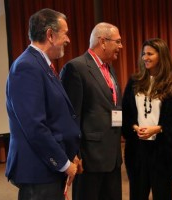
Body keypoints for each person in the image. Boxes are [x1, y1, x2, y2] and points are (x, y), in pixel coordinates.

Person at [5, 8, 81, 200]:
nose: (68, 39)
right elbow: (35, 127)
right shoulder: (27, 67)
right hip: (39, 172)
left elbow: (55, 116)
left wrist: (70, 154)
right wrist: (64, 163)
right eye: (65, 33)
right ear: (50, 34)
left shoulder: (40, 64)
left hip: (48, 168)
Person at [60, 22, 123, 200]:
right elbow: (71, 116)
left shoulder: (109, 67)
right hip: (88, 160)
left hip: (112, 157)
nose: (121, 46)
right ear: (102, 41)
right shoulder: (76, 68)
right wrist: (74, 153)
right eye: (117, 42)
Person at [122, 38, 172, 200]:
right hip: (137, 150)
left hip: (162, 151)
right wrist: (134, 127)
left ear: (161, 56)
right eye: (144, 54)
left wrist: (157, 128)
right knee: (137, 194)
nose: (145, 57)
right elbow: (126, 112)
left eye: (150, 54)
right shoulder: (134, 81)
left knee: (163, 194)